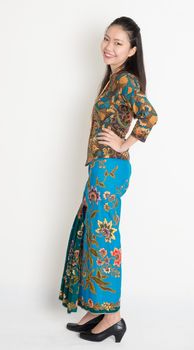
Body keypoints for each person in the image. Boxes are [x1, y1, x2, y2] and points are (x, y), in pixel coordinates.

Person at [58, 16, 158, 343]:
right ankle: (98, 307)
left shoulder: (126, 81)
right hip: (100, 168)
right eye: (106, 39)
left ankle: (113, 316)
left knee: (103, 242)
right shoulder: (112, 80)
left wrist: (124, 143)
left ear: (131, 51)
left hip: (110, 169)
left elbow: (150, 115)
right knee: (92, 236)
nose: (109, 47)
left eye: (118, 43)